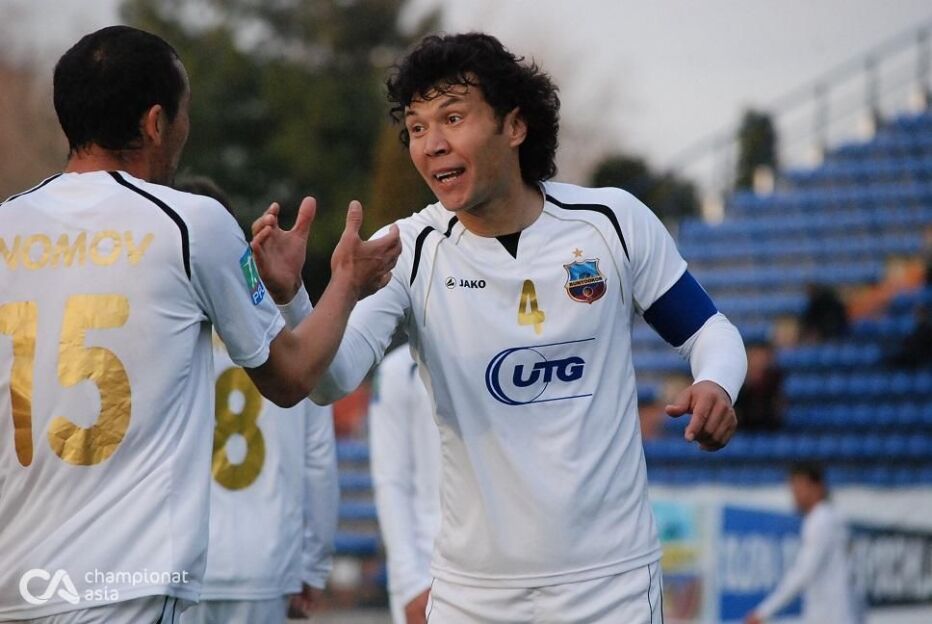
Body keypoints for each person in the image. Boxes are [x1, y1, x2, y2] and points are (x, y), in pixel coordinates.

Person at [253, 32, 746, 622]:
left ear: (514, 126)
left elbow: (710, 333)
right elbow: (331, 380)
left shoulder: (611, 222)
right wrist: (294, 298)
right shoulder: (408, 249)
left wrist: (716, 382)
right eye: (416, 128)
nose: (432, 144)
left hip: (609, 585)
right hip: (472, 596)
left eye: (452, 118)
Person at [0, 25, 398, 623]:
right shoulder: (191, 223)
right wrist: (346, 282)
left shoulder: (8, 223)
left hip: (16, 585)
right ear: (156, 122)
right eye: (185, 113)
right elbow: (291, 378)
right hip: (126, 587)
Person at [171, 179, 338, 624]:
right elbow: (319, 457)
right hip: (265, 559)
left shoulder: (159, 327)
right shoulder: (287, 330)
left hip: (176, 559)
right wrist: (314, 563)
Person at [368, 345, 441, 624]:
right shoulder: (399, 370)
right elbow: (391, 480)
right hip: (429, 570)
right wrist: (410, 585)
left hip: (505, 571)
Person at [745, 463, 861, 624]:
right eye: (793, 489)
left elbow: (803, 572)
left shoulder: (821, 521)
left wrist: (763, 612)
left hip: (832, 616)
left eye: (799, 488)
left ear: (817, 487)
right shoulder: (833, 517)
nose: (795, 495)